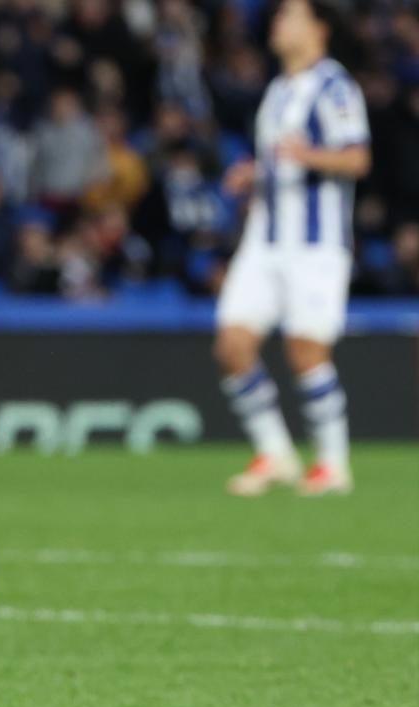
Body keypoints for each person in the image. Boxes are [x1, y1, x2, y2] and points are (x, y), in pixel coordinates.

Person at [213, 0, 369, 496]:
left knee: (306, 349)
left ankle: (332, 462)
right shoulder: (279, 91)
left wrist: (309, 155)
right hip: (264, 240)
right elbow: (281, 161)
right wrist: (254, 174)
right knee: (233, 344)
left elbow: (357, 159)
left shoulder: (335, 86)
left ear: (318, 29)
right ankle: (275, 453)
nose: (278, 24)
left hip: (316, 244)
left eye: (290, 17)